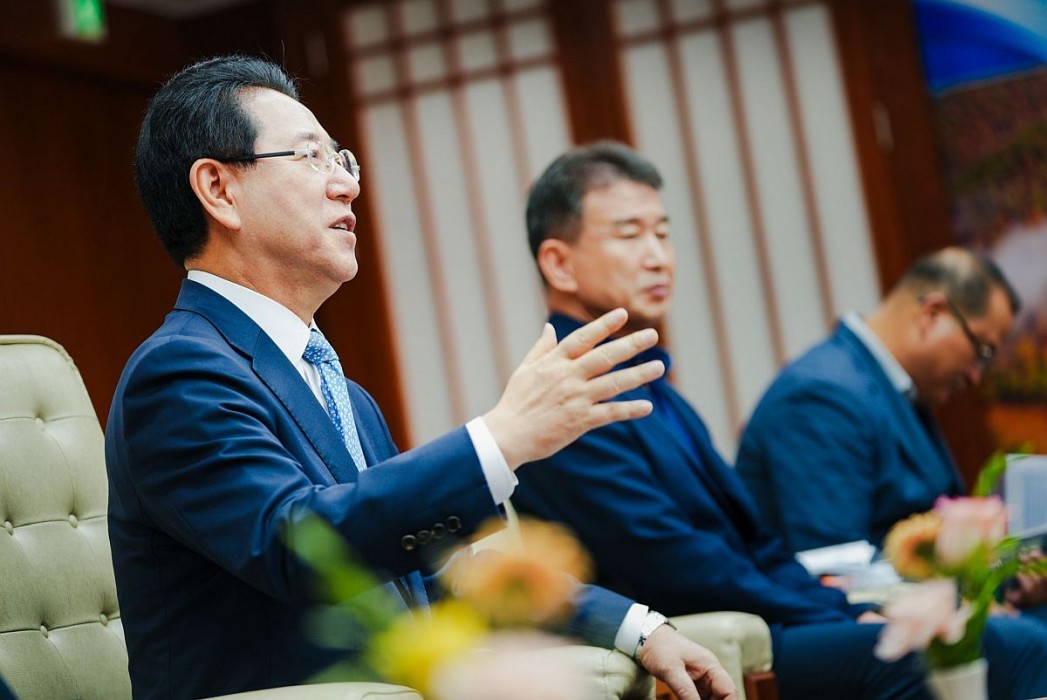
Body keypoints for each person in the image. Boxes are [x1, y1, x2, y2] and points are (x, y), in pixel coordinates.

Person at [107, 56, 734, 700]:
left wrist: (636, 627)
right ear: (218, 189)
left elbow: (442, 572)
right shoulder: (179, 372)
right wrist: (502, 437)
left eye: (341, 160)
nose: (346, 186)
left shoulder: (344, 394)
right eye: (311, 157)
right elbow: (297, 547)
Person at [511, 141, 1047, 700]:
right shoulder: (566, 400)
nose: (658, 256)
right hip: (704, 637)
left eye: (663, 234)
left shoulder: (653, 385)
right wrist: (833, 616)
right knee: (1004, 646)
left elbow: (759, 544)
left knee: (1011, 634)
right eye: (630, 235)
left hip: (766, 617)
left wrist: (843, 611)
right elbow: (669, 561)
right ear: (559, 263)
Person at [735, 246, 1047, 612]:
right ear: (933, 313)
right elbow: (838, 569)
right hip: (855, 623)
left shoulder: (895, 390)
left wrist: (1006, 581)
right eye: (982, 351)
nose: (976, 376)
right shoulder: (823, 395)